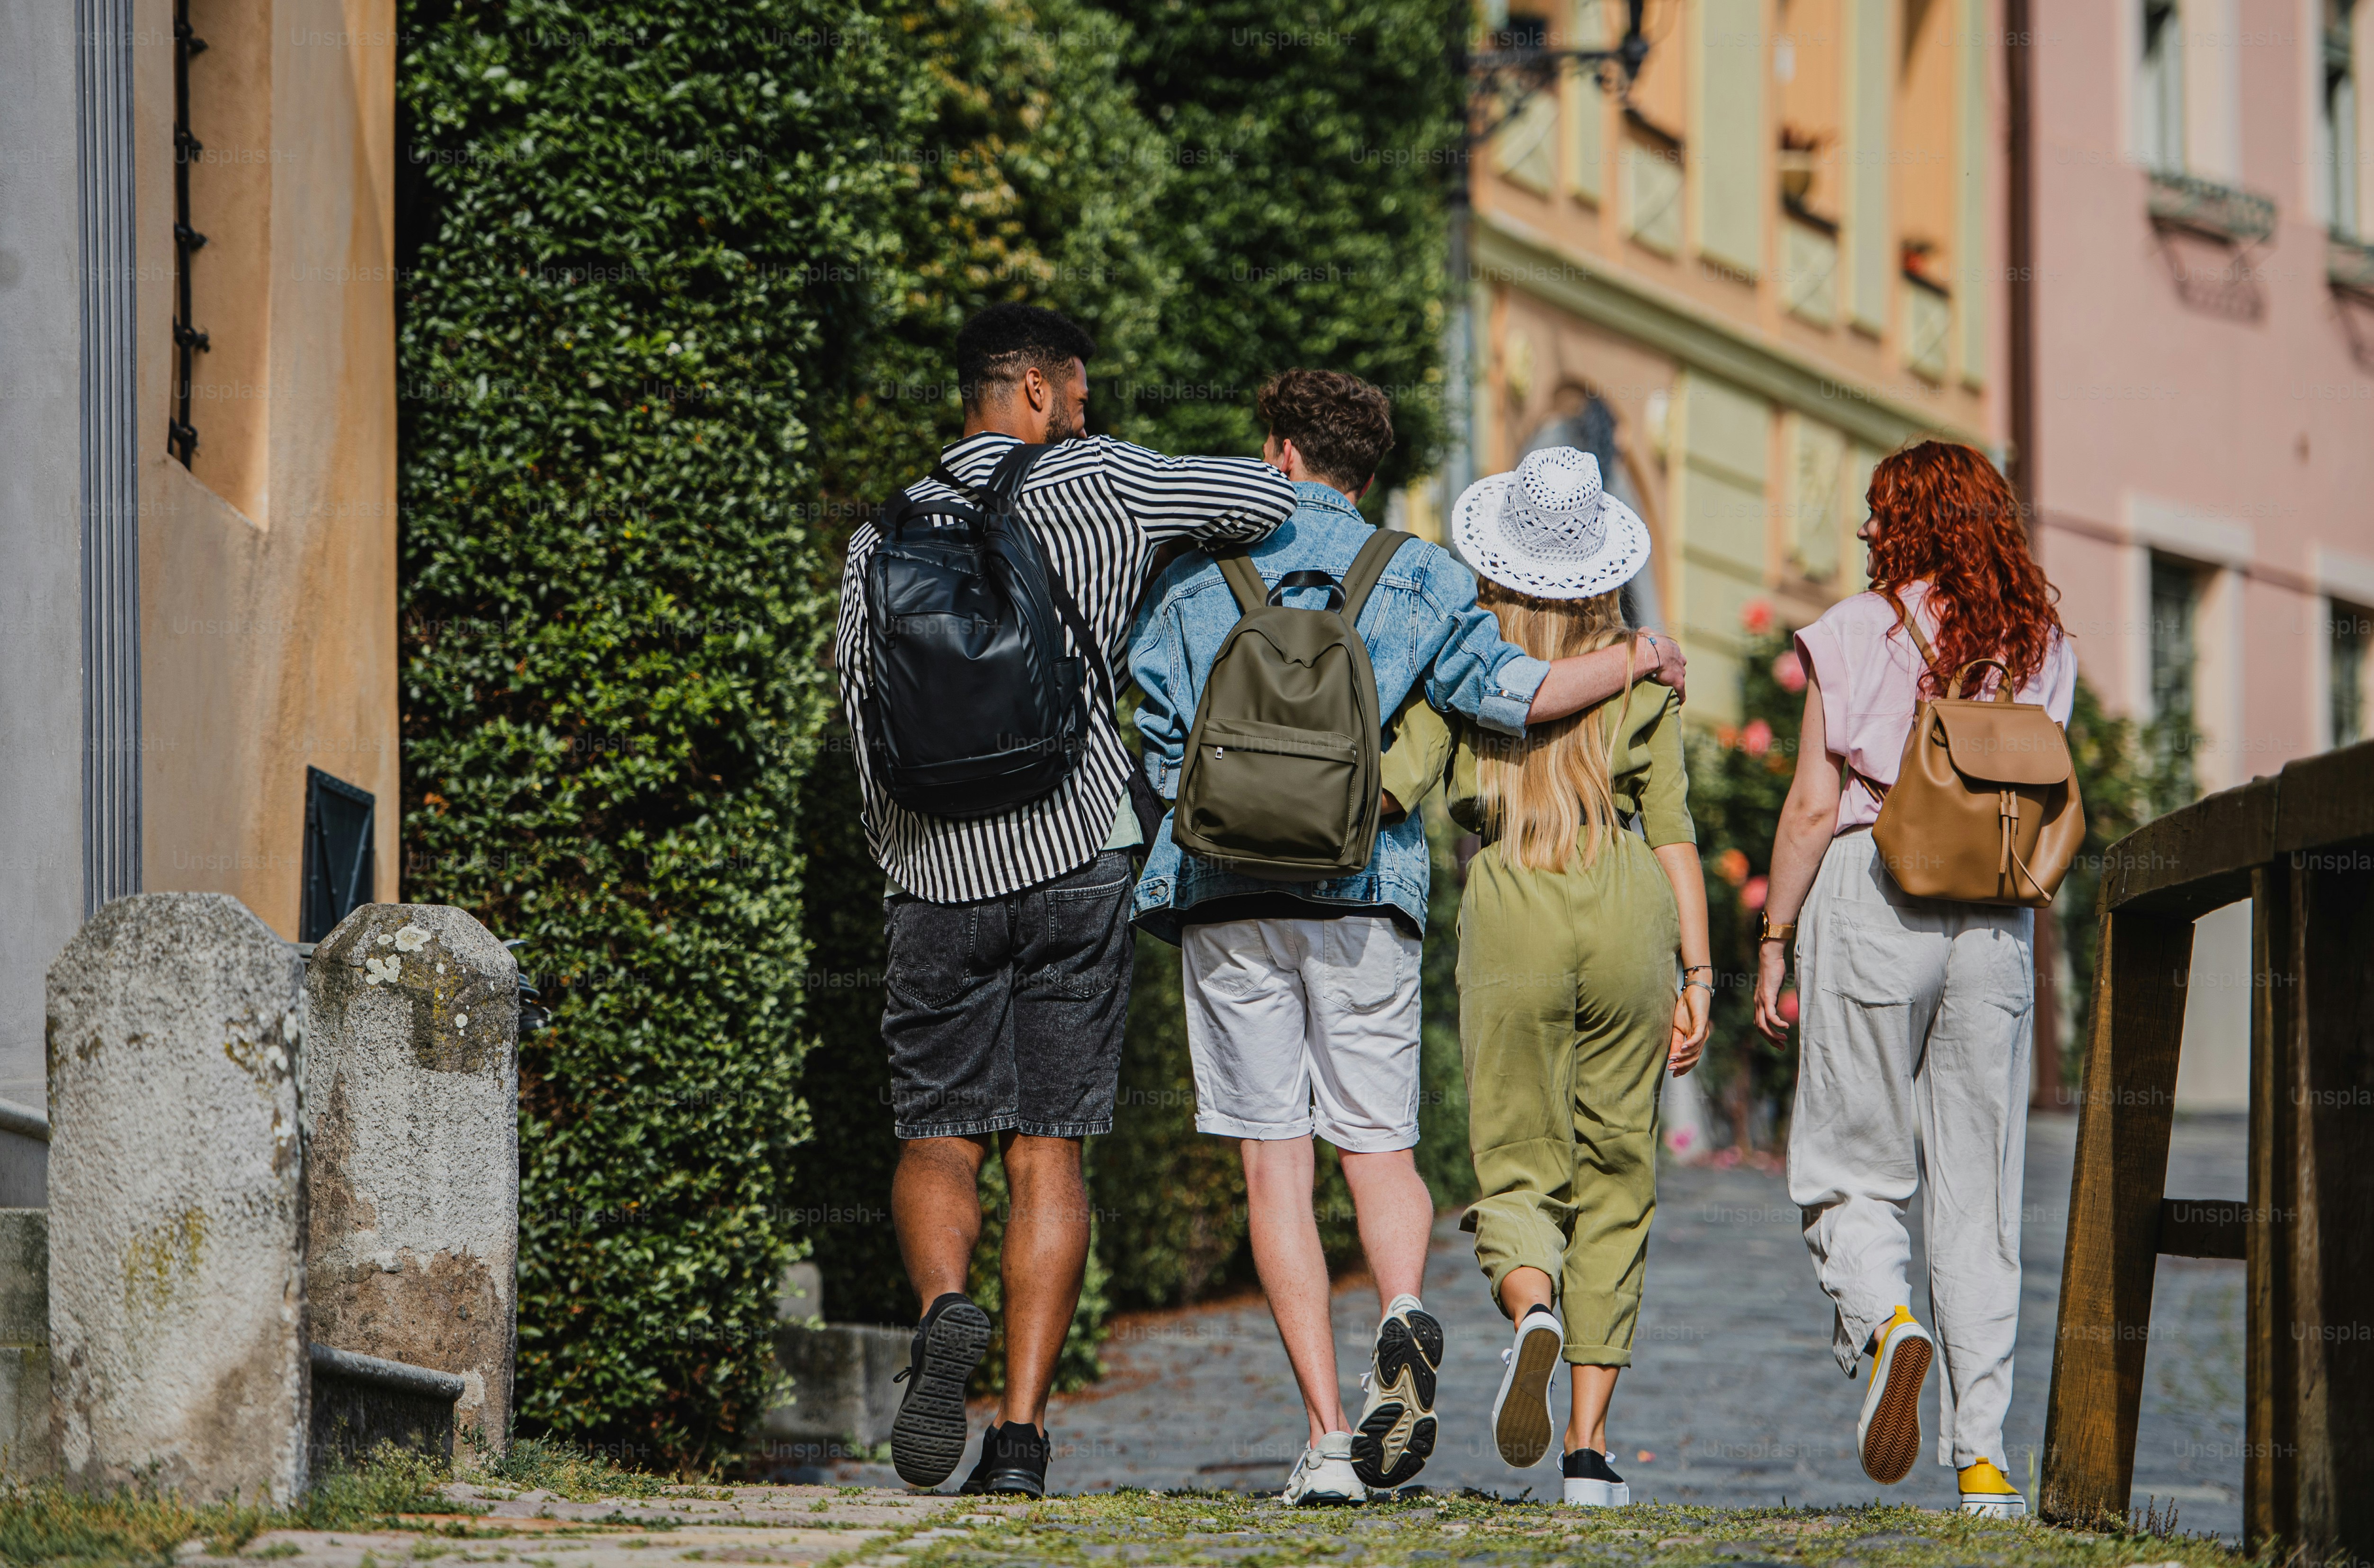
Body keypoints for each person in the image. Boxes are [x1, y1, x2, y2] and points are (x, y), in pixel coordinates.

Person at [1129, 374, 1690, 1506]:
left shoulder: (1194, 576)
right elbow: (1514, 693)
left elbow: (1150, 730)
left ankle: (1328, 1440)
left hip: (1226, 893)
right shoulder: (1422, 575)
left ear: (1278, 454)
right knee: (1377, 1143)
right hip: (1363, 892)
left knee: (1270, 1160)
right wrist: (1636, 656)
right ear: (1368, 471)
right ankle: (1403, 1309)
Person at [833, 304, 1299, 1498]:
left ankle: (946, 1308)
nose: (1089, 416)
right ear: (1036, 391)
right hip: (1076, 853)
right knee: (1051, 1154)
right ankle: (1022, 1440)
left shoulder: (884, 532)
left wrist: (915, 860)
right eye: (1081, 396)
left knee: (937, 1130)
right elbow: (1262, 503)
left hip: (935, 876)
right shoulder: (1105, 482)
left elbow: (861, 718)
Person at [1380, 445, 1710, 1510]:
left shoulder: (1458, 660)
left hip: (1509, 899)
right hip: (1627, 904)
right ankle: (1586, 1455)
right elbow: (1675, 835)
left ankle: (1532, 1311)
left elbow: (1389, 787)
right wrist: (1697, 970)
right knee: (1617, 1171)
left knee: (1517, 1164)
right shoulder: (1642, 673)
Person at [1750, 441, 2075, 1519]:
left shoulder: (1857, 630)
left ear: (1898, 522)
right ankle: (1982, 1468)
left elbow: (1807, 804)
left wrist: (1771, 934)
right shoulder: (2041, 648)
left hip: (1871, 887)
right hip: (1990, 915)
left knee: (1848, 1159)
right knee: (1978, 1196)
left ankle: (1889, 1319)